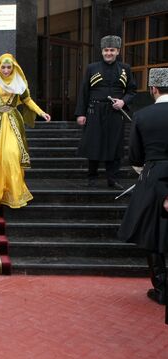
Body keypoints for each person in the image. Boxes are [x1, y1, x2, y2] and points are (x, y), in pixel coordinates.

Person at [0, 53, 51, 211]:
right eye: (3, 66)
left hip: (14, 123)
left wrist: (41, 112)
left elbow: (27, 100)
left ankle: (14, 194)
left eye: (9, 67)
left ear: (14, 67)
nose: (6, 70)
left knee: (12, 156)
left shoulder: (19, 81)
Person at [118, 68, 168, 308]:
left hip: (153, 177)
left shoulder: (143, 115)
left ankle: (161, 287)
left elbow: (135, 156)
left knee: (152, 233)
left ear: (153, 89)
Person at [75, 35, 137, 189]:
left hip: (115, 113)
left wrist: (123, 101)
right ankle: (92, 177)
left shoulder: (125, 69)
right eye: (106, 50)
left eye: (112, 50)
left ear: (118, 51)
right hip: (94, 111)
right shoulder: (92, 68)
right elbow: (84, 91)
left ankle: (112, 179)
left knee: (114, 145)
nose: (109, 53)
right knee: (94, 144)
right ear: (102, 51)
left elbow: (132, 91)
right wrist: (81, 113)